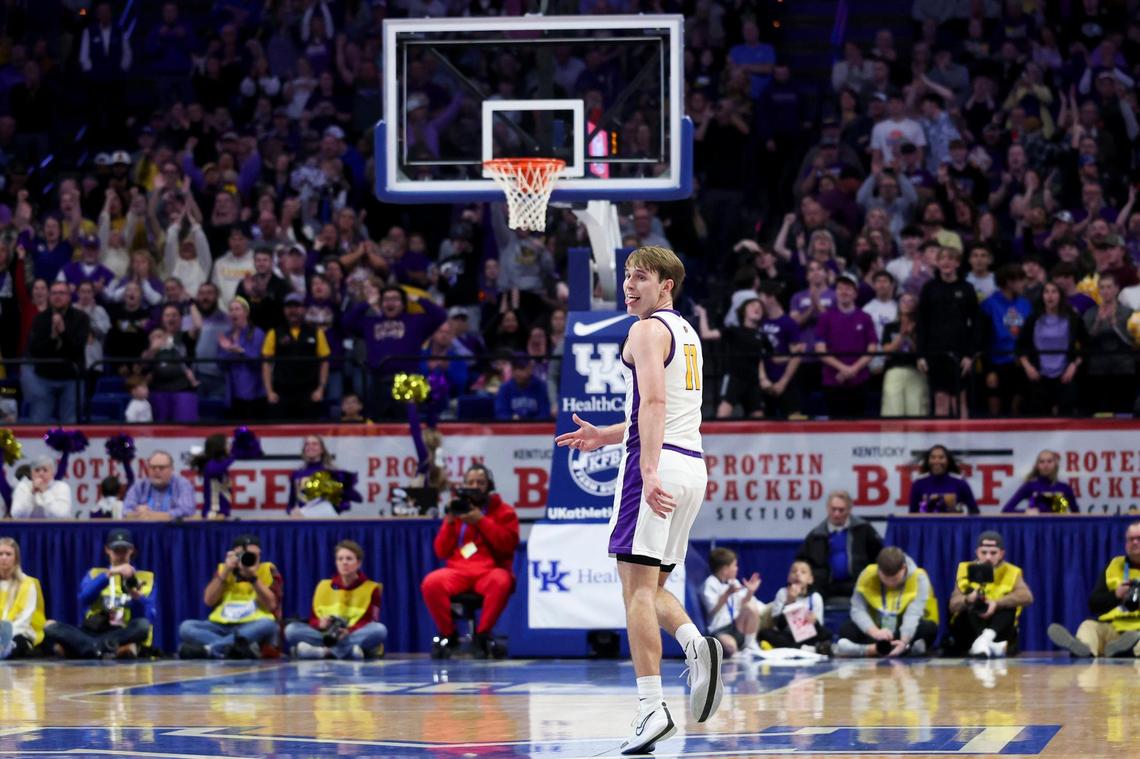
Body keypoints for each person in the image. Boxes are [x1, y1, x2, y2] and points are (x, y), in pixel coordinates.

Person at [555, 246, 721, 755]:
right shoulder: (687, 333)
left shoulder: (646, 330)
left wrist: (646, 471)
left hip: (657, 468)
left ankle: (652, 709)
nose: (629, 286)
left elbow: (654, 402)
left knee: (635, 593)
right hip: (691, 464)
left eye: (641, 278)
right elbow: (662, 410)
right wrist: (606, 436)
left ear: (666, 285)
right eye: (627, 276)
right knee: (651, 585)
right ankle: (697, 646)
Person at [421, 464, 519, 660]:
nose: (475, 486)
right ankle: (449, 635)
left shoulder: (504, 511)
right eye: (471, 482)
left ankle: (482, 636)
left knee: (501, 581)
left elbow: (508, 546)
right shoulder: (458, 509)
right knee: (431, 583)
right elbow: (441, 551)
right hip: (459, 570)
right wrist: (449, 521)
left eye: (480, 483)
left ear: (489, 486)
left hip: (490, 570)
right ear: (463, 485)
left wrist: (481, 520)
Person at [42, 528, 156, 659]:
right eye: (116, 550)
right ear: (107, 550)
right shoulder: (95, 574)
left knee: (142, 626)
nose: (121, 554)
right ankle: (102, 648)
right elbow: (83, 599)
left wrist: (137, 597)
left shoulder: (145, 578)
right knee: (50, 626)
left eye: (124, 550)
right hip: (93, 630)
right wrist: (109, 575)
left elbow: (150, 615)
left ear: (132, 550)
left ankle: (88, 649)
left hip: (122, 632)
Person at [178, 534, 282, 659]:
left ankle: (210, 649)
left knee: (268, 624)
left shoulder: (267, 569)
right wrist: (226, 571)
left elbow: (271, 605)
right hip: (222, 625)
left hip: (252, 625)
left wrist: (253, 578)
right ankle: (239, 648)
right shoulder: (224, 569)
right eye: (241, 555)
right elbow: (208, 600)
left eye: (253, 555)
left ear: (260, 555)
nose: (247, 558)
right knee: (186, 627)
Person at [1048, 522, 1140, 658]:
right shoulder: (1114, 565)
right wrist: (1116, 595)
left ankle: (1126, 651)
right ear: (1126, 543)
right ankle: (1084, 648)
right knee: (1088, 626)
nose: (1134, 542)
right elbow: (1093, 604)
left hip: (1137, 632)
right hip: (1112, 631)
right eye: (1130, 539)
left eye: (1138, 538)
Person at [284, 539, 387, 660]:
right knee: (291, 631)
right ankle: (347, 652)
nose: (344, 563)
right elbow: (313, 619)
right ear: (336, 562)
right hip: (325, 635)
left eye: (349, 559)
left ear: (358, 563)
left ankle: (323, 652)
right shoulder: (323, 586)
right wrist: (320, 624)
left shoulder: (371, 588)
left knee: (379, 630)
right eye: (340, 559)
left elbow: (369, 621)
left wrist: (347, 631)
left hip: (350, 634)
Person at [834, 546, 939, 657]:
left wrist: (904, 640)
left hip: (902, 630)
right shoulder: (867, 574)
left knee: (929, 627)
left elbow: (913, 614)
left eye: (894, 579)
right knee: (847, 628)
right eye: (885, 578)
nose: (890, 584)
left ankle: (896, 647)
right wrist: (875, 632)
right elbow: (857, 610)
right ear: (878, 570)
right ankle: (882, 648)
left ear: (903, 568)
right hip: (876, 630)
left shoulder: (919, 577)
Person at [946, 531, 1034, 658]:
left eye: (993, 553)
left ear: (1001, 554)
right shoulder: (965, 569)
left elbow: (1027, 597)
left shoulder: (1012, 571)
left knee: (1009, 607)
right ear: (977, 552)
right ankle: (988, 645)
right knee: (973, 604)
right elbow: (953, 605)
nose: (988, 557)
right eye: (984, 552)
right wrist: (968, 599)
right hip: (970, 627)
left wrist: (996, 603)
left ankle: (984, 641)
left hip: (997, 628)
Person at [917, 247, 978, 417]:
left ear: (957, 263)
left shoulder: (967, 288)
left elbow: (975, 323)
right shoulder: (929, 288)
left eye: (951, 258)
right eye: (942, 258)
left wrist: (969, 355)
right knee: (940, 400)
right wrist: (921, 355)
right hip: (935, 352)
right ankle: (941, 443)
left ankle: (963, 443)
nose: (946, 262)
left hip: (960, 352)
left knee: (960, 401)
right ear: (937, 263)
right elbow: (922, 322)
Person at [796, 490, 884, 606]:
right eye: (833, 509)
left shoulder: (864, 530)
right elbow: (802, 563)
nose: (836, 514)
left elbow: (880, 558)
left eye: (841, 510)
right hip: (825, 587)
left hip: (858, 585)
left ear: (849, 510)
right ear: (827, 509)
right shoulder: (815, 536)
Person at [1016, 281, 1087, 416]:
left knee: (1067, 416)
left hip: (1065, 375)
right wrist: (1028, 367)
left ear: (1060, 295)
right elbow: (1020, 346)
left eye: (1054, 292)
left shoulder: (1072, 318)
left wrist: (1074, 365)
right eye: (1046, 292)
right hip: (1038, 375)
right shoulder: (1033, 319)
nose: (1050, 296)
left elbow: (1086, 344)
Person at [24, 281, 90, 423]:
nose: (57, 296)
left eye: (62, 293)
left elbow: (76, 348)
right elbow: (35, 350)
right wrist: (53, 338)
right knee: (38, 422)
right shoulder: (40, 319)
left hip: (71, 378)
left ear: (69, 296)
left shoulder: (81, 318)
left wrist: (63, 332)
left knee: (70, 423)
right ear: (49, 296)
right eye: (54, 293)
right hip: (44, 378)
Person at [815, 274, 879, 418]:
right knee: (835, 427)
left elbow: (872, 348)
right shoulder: (825, 318)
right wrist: (843, 369)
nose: (844, 292)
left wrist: (853, 369)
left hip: (859, 380)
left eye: (848, 288)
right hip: (833, 380)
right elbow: (820, 349)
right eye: (840, 288)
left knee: (860, 426)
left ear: (855, 293)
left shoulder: (865, 317)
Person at [262, 292, 330, 420]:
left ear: (303, 309)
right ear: (284, 310)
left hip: (309, 391)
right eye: (289, 307)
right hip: (282, 391)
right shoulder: (274, 333)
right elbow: (266, 363)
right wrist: (269, 391)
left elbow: (324, 361)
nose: (293, 311)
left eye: (297, 306)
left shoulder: (316, 333)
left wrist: (321, 388)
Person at [700, 548, 763, 659]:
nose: (737, 568)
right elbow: (711, 611)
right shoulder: (710, 584)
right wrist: (726, 595)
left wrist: (750, 592)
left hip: (735, 626)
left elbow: (743, 604)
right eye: (734, 565)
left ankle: (750, 645)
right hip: (719, 629)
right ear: (725, 569)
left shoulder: (734, 582)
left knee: (751, 607)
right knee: (730, 647)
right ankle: (737, 652)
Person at [759, 560, 830, 654]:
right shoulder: (782, 593)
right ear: (788, 577)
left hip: (807, 635)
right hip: (787, 634)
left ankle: (796, 647)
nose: (798, 574)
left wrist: (814, 621)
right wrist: (789, 602)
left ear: (810, 579)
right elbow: (778, 626)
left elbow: (819, 629)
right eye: (794, 571)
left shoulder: (815, 597)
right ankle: (807, 649)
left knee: (827, 634)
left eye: (803, 572)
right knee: (764, 633)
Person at [0, 537, 45, 660]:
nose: (3, 558)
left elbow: (25, 618)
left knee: (17, 641)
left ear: (16, 558)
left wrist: (6, 634)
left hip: (19, 632)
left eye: (8, 554)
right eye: (0, 554)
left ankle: (5, 650)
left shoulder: (28, 583)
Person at [123, 451, 196, 520]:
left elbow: (187, 510)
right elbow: (125, 511)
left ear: (171, 469)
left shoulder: (182, 484)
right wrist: (137, 512)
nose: (157, 471)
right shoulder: (139, 485)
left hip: (173, 530)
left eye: (161, 468)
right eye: (153, 467)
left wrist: (156, 516)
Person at [1002, 450, 1080, 514]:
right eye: (1042, 462)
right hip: (1036, 529)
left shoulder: (1064, 488)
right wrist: (1025, 512)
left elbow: (1077, 514)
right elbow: (1006, 510)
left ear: (1056, 464)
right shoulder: (1030, 486)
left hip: (1059, 530)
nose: (1046, 465)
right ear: (1037, 466)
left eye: (1049, 461)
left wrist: (1063, 511)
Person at [908, 444, 979, 514]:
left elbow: (974, 512)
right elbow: (911, 515)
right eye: (933, 457)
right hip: (926, 525)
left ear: (948, 461)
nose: (937, 461)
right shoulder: (918, 484)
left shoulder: (960, 483)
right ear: (928, 460)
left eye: (941, 457)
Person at [494, 355, 550, 420]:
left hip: (536, 427)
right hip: (512, 427)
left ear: (530, 369)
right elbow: (501, 414)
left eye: (522, 368)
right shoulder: (505, 388)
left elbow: (544, 413)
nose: (518, 372)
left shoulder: (540, 387)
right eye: (515, 368)